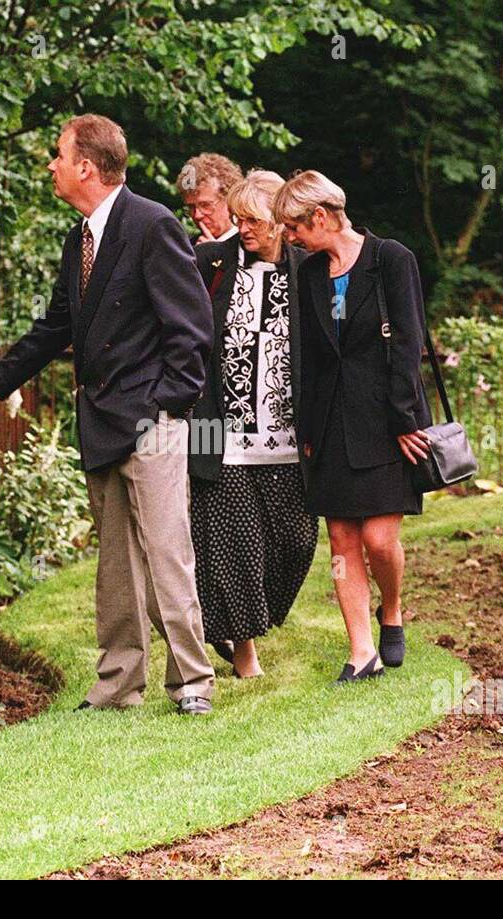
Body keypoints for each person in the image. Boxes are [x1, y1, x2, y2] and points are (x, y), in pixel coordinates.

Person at [0, 114, 217, 714]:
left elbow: (192, 331)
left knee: (168, 556)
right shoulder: (80, 239)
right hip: (101, 422)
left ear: (86, 167)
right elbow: (57, 329)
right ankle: (119, 686)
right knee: (116, 567)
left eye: (58, 156)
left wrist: (167, 408)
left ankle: (192, 683)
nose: (52, 166)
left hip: (151, 423)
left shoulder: (153, 225)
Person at [274, 170, 434, 684]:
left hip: (389, 422)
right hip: (329, 424)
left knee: (380, 539)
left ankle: (392, 609)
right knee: (343, 540)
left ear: (319, 217)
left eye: (295, 228)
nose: (291, 239)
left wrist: (405, 418)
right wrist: (305, 428)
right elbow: (310, 357)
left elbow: (410, 341)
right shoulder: (310, 275)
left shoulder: (392, 259)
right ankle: (360, 652)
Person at [187, 170, 318, 679]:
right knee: (234, 542)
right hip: (221, 434)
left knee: (296, 541)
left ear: (282, 224)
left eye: (255, 221)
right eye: (238, 219)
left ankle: (244, 620)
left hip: (288, 438)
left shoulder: (309, 271)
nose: (244, 229)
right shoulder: (211, 265)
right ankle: (245, 653)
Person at [176, 153, 242, 245]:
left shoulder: (250, 248)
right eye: (191, 207)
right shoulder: (186, 250)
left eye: (205, 205)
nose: (197, 216)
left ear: (231, 201)